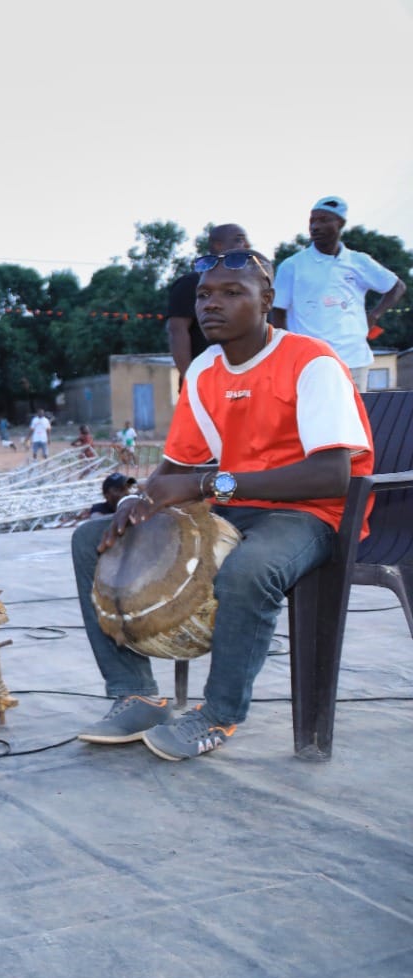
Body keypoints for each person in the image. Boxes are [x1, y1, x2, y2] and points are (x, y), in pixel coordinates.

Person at [72, 250, 372, 761]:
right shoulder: (207, 369)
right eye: (205, 295)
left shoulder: (311, 361)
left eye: (233, 293)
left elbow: (332, 475)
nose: (213, 304)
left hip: (314, 514)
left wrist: (209, 487)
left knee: (249, 569)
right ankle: (135, 693)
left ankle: (219, 714)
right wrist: (137, 501)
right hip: (235, 502)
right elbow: (177, 465)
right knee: (91, 539)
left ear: (266, 302)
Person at [272, 196, 406, 391]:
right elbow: (277, 312)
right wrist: (286, 352)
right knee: (311, 418)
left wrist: (374, 315)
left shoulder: (358, 261)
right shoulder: (292, 265)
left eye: (323, 220)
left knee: (354, 418)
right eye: (312, 221)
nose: (315, 227)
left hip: (354, 360)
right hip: (310, 362)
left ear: (340, 223)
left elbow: (397, 287)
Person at [166, 223, 250, 378]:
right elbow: (177, 331)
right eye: (239, 240)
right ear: (218, 246)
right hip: (206, 380)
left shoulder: (249, 285)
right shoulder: (190, 283)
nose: (247, 245)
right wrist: (189, 378)